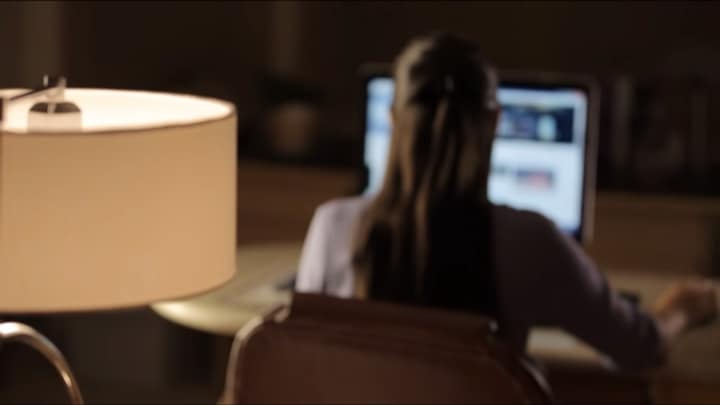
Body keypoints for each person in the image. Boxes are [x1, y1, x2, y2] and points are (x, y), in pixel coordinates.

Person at [295, 33, 717, 370]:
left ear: (392, 119)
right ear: (494, 121)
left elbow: (306, 356)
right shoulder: (529, 241)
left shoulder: (332, 226)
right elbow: (639, 348)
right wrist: (680, 308)